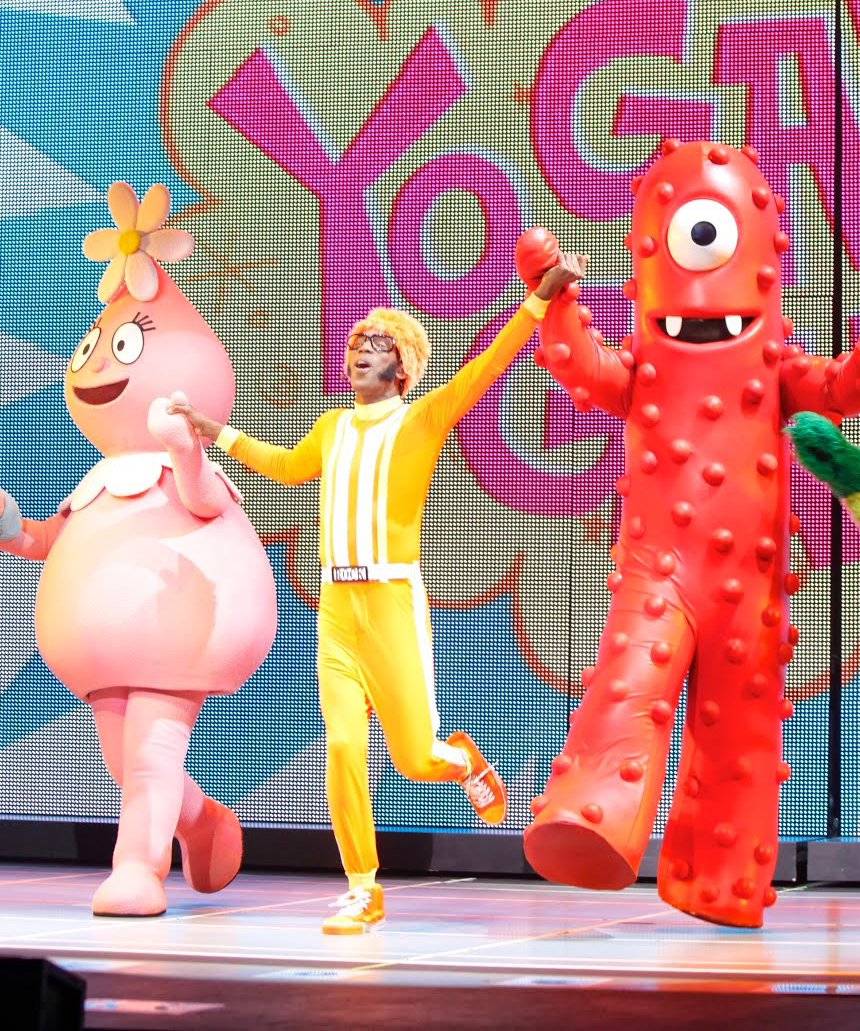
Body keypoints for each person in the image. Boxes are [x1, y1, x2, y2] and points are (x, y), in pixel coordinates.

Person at [170, 254, 584, 933]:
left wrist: (539, 299)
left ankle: (461, 760)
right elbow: (286, 467)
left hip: (391, 603)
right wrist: (213, 431)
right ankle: (363, 888)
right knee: (342, 748)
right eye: (358, 341)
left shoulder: (422, 419)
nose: (362, 349)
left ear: (403, 368)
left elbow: (487, 367)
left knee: (415, 761)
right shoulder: (332, 427)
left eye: (379, 344)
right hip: (336, 611)